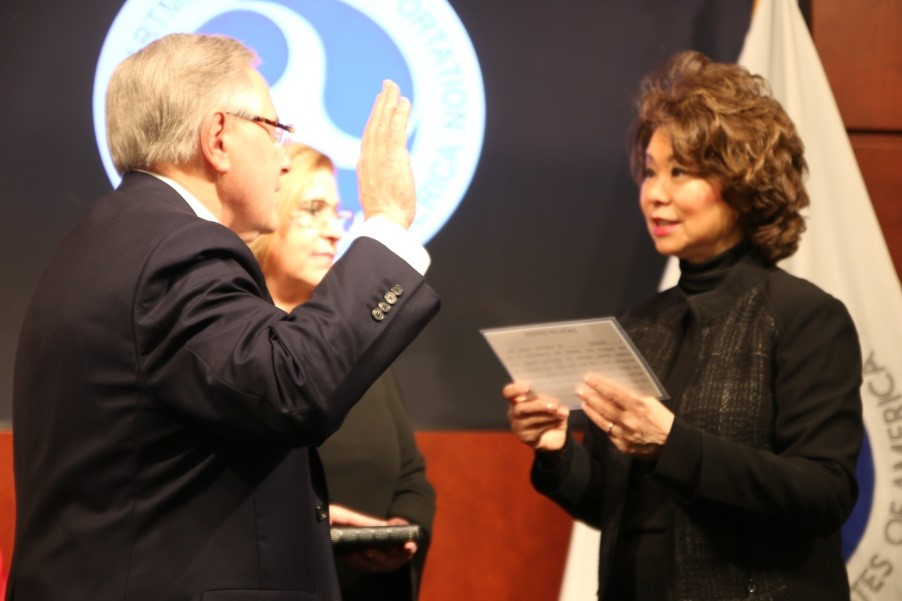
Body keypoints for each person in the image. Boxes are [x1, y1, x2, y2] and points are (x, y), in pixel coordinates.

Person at [7, 33, 440, 601]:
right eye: (275, 129)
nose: (284, 158)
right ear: (217, 139)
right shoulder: (175, 249)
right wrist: (385, 222)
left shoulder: (109, 238)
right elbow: (292, 386)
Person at [505, 50, 863, 600]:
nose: (655, 193)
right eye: (650, 171)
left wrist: (673, 444)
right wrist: (556, 452)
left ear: (743, 183)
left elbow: (825, 493)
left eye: (682, 172)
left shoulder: (806, 318)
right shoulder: (640, 325)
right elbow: (615, 506)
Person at [249, 143, 435, 600]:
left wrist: (403, 533)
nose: (334, 231)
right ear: (268, 218)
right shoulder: (243, 345)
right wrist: (325, 531)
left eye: (339, 213)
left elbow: (411, 475)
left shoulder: (357, 341)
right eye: (312, 211)